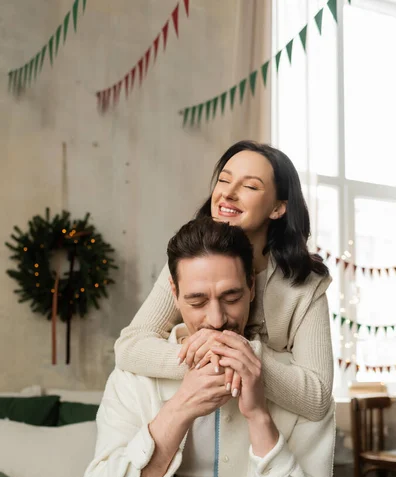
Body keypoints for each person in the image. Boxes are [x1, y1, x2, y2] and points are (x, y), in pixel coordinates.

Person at [38, 218, 381, 477]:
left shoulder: (298, 386)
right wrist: (180, 408)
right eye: (197, 301)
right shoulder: (136, 374)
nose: (216, 320)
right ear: (174, 292)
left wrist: (258, 416)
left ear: (252, 287)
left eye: (231, 297)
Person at [114, 140, 333, 422]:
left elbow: (317, 398)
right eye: (224, 180)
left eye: (250, 186)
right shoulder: (190, 262)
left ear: (278, 208)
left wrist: (246, 356)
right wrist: (204, 355)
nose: (228, 194)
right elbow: (129, 347)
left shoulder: (306, 284)